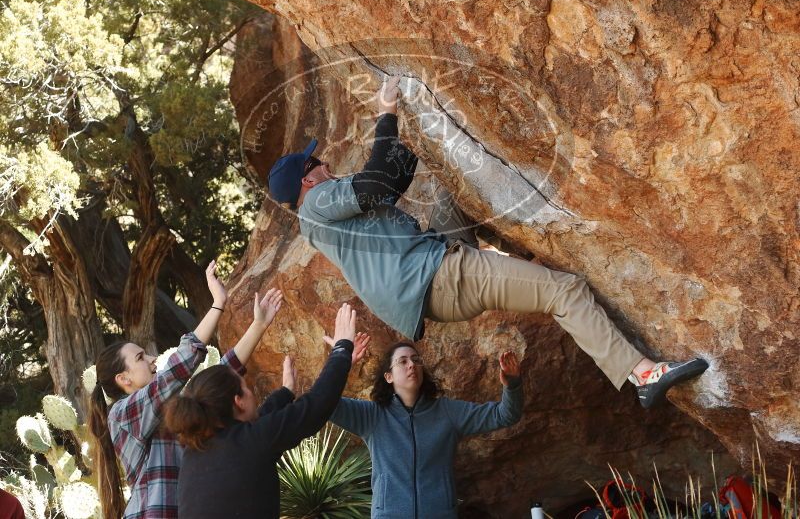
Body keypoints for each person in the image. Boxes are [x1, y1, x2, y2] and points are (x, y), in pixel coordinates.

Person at [267, 76, 707, 409]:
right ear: (308, 178)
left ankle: (525, 252)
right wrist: (387, 113)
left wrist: (420, 135)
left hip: (428, 278)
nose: (326, 163)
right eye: (318, 162)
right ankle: (642, 374)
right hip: (440, 276)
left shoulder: (320, 217)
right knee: (563, 289)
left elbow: (390, 184)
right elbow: (377, 180)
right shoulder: (319, 202)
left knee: (452, 193)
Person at [87, 259, 284, 519]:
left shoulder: (175, 406)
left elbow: (219, 378)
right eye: (140, 358)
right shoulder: (122, 416)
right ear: (123, 379)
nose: (151, 359)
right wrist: (217, 304)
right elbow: (175, 372)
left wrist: (259, 325)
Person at [166, 303, 369, 519]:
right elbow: (316, 405)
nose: (252, 393)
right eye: (247, 388)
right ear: (238, 401)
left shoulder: (196, 452)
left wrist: (285, 392)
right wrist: (341, 349)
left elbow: (258, 429)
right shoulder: (251, 441)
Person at [330, 342, 522, 519]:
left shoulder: (448, 412)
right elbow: (326, 405)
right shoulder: (373, 416)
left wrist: (512, 385)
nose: (411, 365)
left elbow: (505, 415)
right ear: (388, 376)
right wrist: (341, 361)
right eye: (402, 361)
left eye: (416, 360)